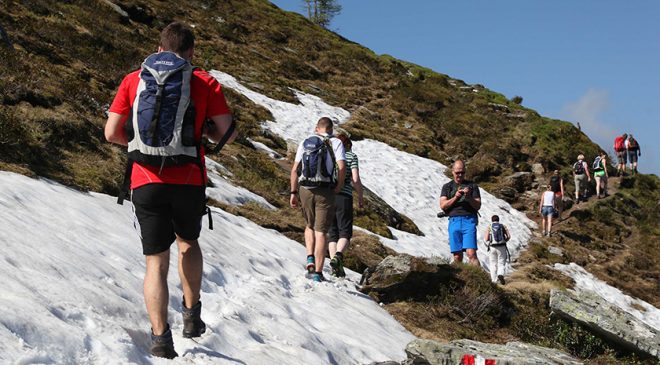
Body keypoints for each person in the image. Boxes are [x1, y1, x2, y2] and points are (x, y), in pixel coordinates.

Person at [104, 22, 236, 359]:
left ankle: (161, 338)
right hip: (189, 180)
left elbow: (111, 132)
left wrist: (138, 147)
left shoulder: (134, 79)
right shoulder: (204, 81)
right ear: (191, 52)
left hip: (145, 181)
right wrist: (201, 134)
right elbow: (226, 134)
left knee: (155, 261)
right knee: (188, 242)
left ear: (159, 48)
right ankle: (191, 315)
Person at [290, 117, 346, 282]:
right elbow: (342, 166)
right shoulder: (335, 143)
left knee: (309, 225)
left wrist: (293, 192)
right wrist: (339, 186)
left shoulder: (305, 142)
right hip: (325, 191)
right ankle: (318, 273)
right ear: (331, 129)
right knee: (321, 232)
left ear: (317, 128)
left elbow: (294, 170)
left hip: (305, 189)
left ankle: (309, 258)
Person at [327, 129, 363, 277]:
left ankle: (335, 265)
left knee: (333, 233)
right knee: (345, 232)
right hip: (344, 196)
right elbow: (355, 179)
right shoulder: (350, 156)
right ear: (347, 145)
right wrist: (360, 195)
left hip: (328, 196)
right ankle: (338, 256)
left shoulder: (330, 155)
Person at [439, 160, 482, 266]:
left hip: (469, 220)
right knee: (457, 256)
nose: (460, 175)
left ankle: (478, 280)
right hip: (454, 221)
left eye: (462, 172)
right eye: (457, 172)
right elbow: (443, 205)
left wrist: (468, 197)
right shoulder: (447, 187)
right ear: (452, 172)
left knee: (471, 253)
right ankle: (461, 279)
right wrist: (456, 197)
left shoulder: (472, 186)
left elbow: (478, 205)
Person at [484, 215, 510, 285]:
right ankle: (500, 274)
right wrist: (505, 241)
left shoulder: (489, 226)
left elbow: (486, 239)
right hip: (502, 247)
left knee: (493, 264)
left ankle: (494, 281)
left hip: (492, 247)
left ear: (492, 220)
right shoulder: (503, 226)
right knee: (501, 263)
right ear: (498, 220)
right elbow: (509, 236)